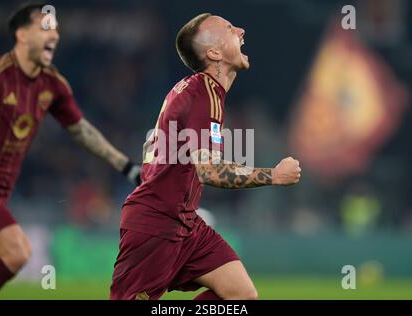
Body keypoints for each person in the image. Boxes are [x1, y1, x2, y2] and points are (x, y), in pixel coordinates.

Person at [110, 13, 301, 300]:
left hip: (186, 223)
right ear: (213, 53)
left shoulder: (192, 89)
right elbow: (209, 171)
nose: (241, 29)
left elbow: (151, 144)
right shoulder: (204, 94)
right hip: (157, 225)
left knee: (240, 296)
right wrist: (274, 175)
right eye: (229, 28)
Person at [0, 3, 140, 299]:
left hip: (0, 192)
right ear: (23, 34)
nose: (55, 35)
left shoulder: (53, 85)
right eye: (46, 28)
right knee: (17, 252)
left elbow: (81, 130)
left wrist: (126, 166)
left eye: (56, 30)